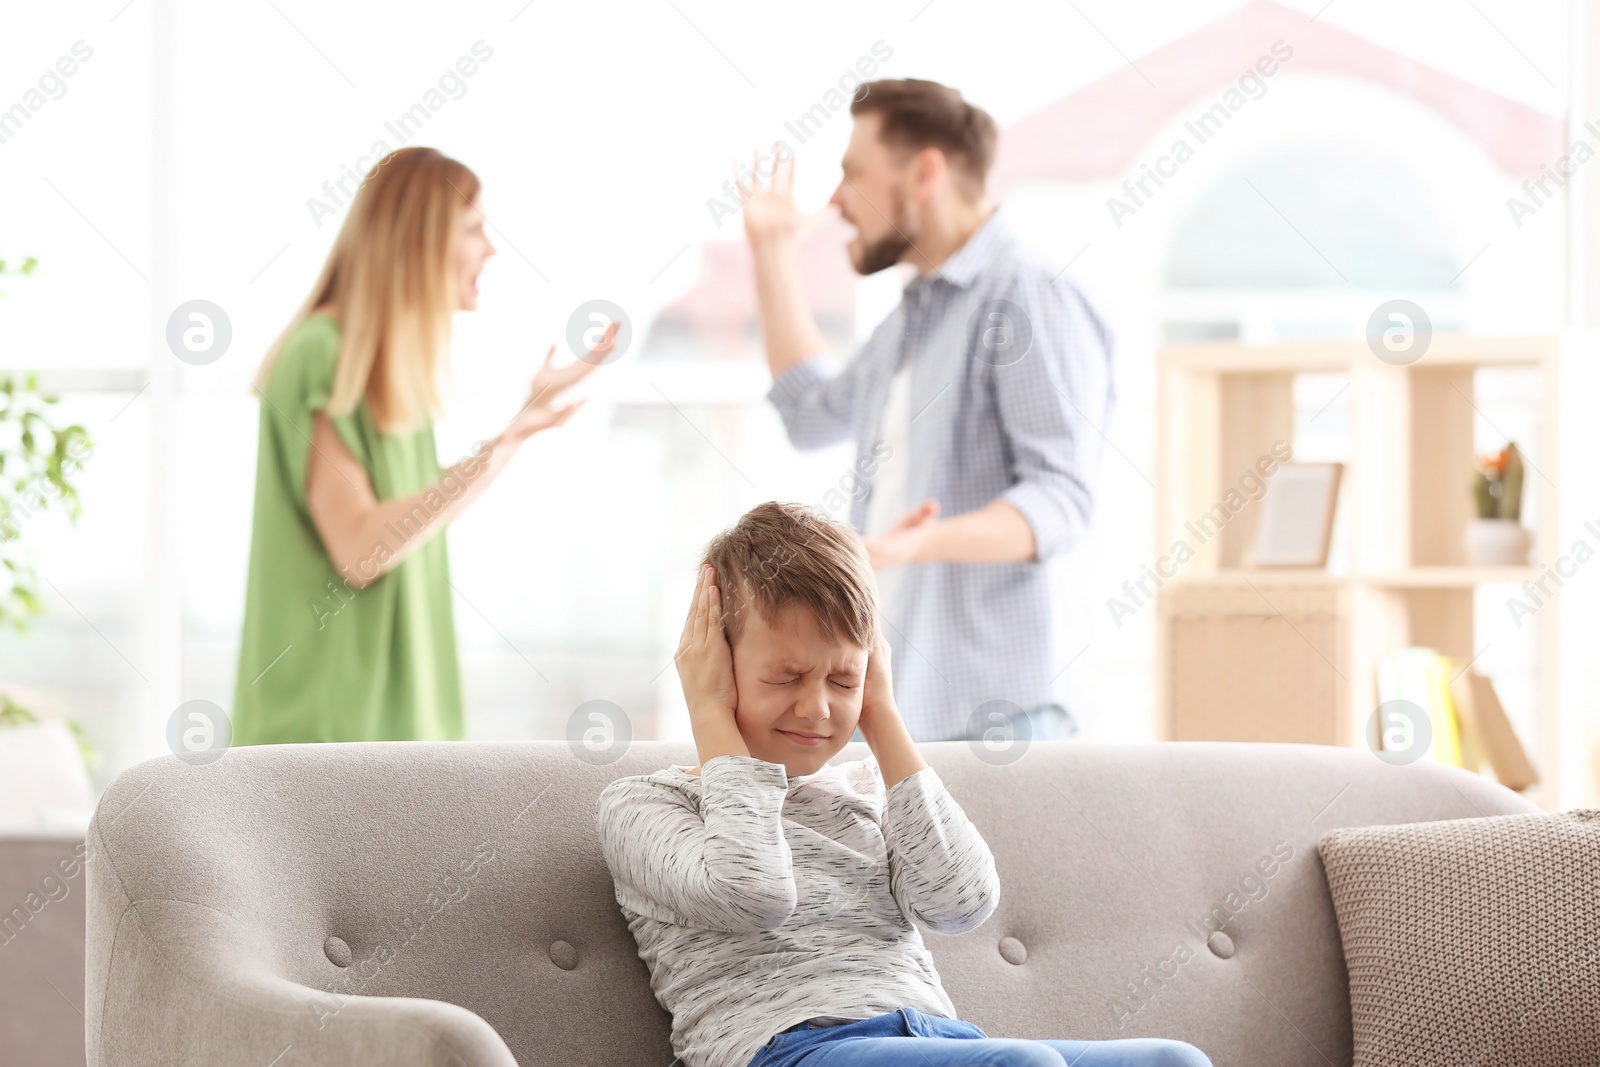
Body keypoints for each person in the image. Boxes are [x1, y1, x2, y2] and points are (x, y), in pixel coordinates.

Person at [595, 502, 1211, 1067]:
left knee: (1173, 1062)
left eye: (843, 680)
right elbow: (754, 895)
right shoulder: (647, 806)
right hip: (785, 1049)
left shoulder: (868, 789)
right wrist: (709, 713)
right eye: (786, 677)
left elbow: (961, 902)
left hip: (932, 1037)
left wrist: (883, 714)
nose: (817, 708)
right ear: (716, 662)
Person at [737, 79, 1115, 744]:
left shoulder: (1025, 293)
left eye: (853, 173)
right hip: (917, 713)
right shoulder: (918, 314)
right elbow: (810, 412)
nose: (834, 200)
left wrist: (915, 544)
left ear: (924, 172)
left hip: (1005, 716)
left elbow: (1061, 498)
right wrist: (771, 251)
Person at [233, 146, 616, 746]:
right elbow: (362, 546)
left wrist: (520, 424)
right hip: (326, 730)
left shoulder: (380, 365)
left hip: (387, 727)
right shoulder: (323, 353)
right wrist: (501, 443)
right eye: (472, 228)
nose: (490, 248)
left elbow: (406, 516)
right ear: (417, 240)